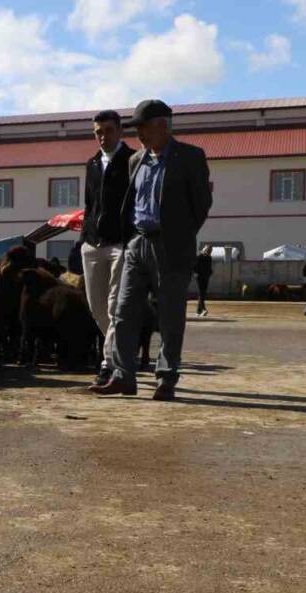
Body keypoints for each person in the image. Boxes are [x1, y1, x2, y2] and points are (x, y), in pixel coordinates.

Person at [92, 99, 212, 402]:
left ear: (162, 125)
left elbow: (201, 205)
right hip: (137, 243)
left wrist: (179, 235)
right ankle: (123, 376)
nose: (139, 134)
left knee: (170, 316)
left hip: (171, 246)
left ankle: (166, 377)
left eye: (143, 127)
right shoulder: (137, 160)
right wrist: (133, 237)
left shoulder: (190, 157)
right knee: (123, 312)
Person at [80, 109, 135, 386]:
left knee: (114, 307)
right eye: (98, 132)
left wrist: (132, 238)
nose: (103, 136)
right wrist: (83, 238)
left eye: (108, 130)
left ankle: (108, 364)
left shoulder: (133, 160)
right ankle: (119, 353)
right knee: (97, 308)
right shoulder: (91, 164)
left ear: (120, 131)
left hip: (120, 244)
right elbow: (89, 204)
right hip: (92, 244)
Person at [193, 245, 212, 317]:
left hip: (206, 277)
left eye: (210, 250)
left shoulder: (209, 258)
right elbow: (194, 266)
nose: (209, 251)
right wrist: (195, 273)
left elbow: (209, 267)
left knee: (202, 294)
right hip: (200, 277)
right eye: (208, 250)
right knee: (201, 293)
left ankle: (200, 311)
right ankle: (202, 310)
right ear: (204, 249)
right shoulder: (199, 257)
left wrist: (210, 273)